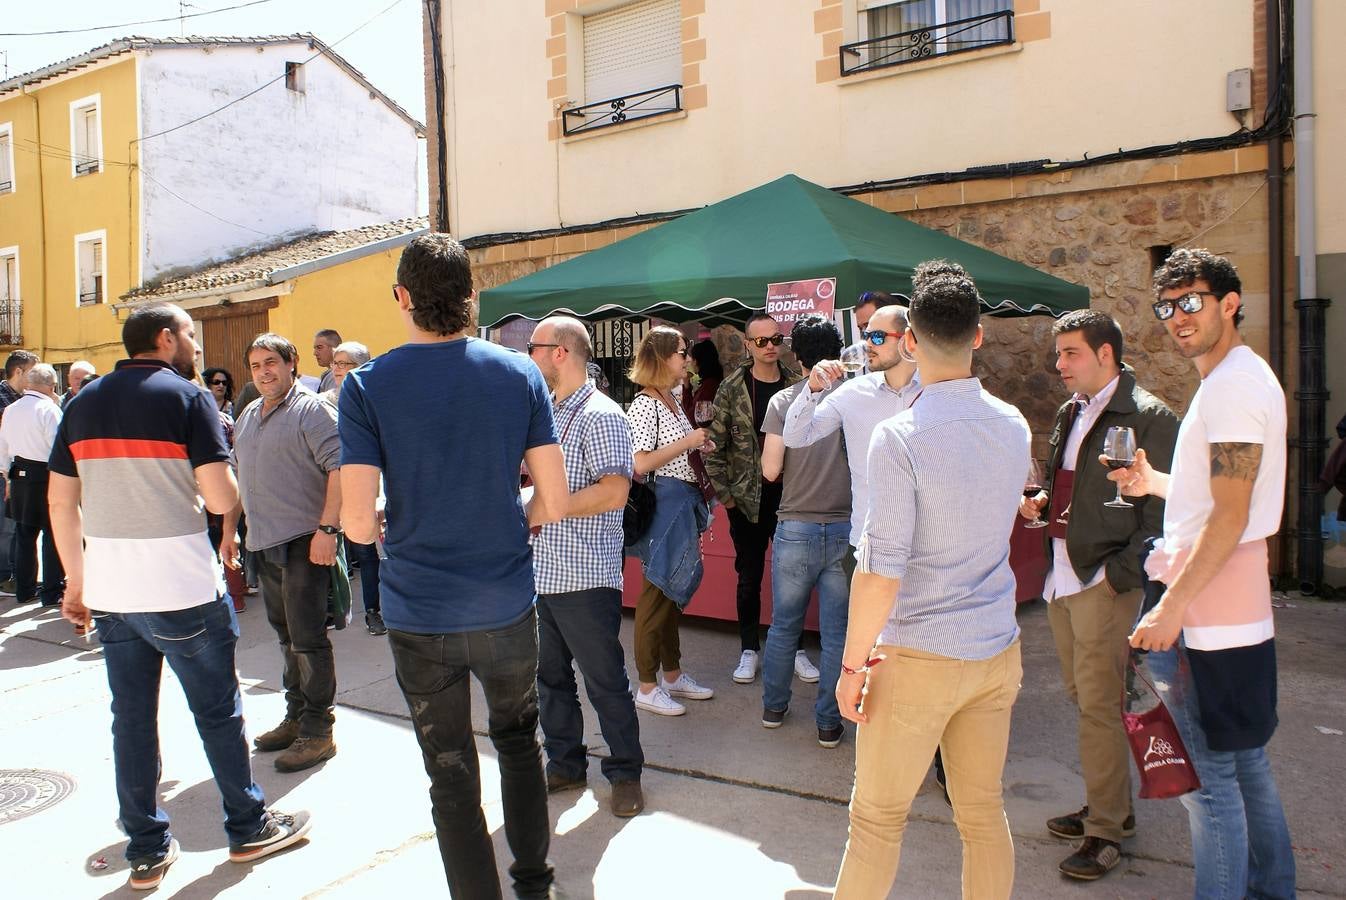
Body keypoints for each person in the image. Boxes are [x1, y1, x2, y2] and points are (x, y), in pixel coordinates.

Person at [48, 304, 310, 892]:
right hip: (182, 587)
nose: (194, 344)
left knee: (132, 721)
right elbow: (220, 498)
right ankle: (247, 825)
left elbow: (61, 504)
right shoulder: (189, 399)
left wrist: (76, 581)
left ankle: (145, 850)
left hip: (115, 592)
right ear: (167, 339)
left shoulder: (81, 403)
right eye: (190, 334)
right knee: (217, 712)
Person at [339, 233, 567, 899]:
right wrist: (512, 511)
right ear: (472, 300)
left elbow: (356, 522)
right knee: (521, 745)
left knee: (450, 770)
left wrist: (386, 519)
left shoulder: (365, 385)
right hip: (503, 602)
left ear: (403, 298)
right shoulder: (518, 373)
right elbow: (552, 500)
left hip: (420, 612)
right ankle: (535, 885)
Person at [834, 269, 1029, 899]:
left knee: (876, 821)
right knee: (981, 815)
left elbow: (881, 569)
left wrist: (851, 664)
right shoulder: (1013, 423)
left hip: (918, 651)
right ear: (978, 335)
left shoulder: (901, 435)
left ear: (911, 340)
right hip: (994, 645)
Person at [1110, 248, 1296, 899]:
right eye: (1167, 307)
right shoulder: (1233, 381)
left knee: (1208, 789)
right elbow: (1212, 497)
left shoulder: (1238, 385)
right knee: (1244, 769)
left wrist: (1171, 608)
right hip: (1226, 608)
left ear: (1228, 303)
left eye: (1191, 302)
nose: (1177, 318)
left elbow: (1230, 513)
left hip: (1208, 613)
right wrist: (1153, 482)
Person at [1017, 309, 1179, 880]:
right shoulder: (1070, 411)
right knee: (1084, 699)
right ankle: (1111, 806)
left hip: (1100, 581)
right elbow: (1066, 487)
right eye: (1058, 354)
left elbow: (1163, 512)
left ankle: (1106, 829)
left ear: (1105, 354)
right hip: (1061, 574)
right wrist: (1040, 507)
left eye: (1070, 353)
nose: (1058, 365)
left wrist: (1118, 573)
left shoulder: (1150, 417)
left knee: (1099, 706)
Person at [527, 315, 646, 818]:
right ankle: (565, 763)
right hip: (542, 572)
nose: (527, 357)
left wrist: (544, 505)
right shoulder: (548, 411)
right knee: (549, 680)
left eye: (533, 347)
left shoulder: (602, 414)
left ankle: (625, 773)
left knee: (604, 681)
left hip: (583, 575)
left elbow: (615, 491)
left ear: (559, 352)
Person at [223, 333, 342, 774]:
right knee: (286, 636)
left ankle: (318, 731)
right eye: (255, 366)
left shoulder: (312, 410)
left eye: (271, 362)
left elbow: (340, 468)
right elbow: (240, 477)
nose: (263, 372)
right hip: (264, 542)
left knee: (308, 639)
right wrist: (229, 531)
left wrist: (328, 529)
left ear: (291, 363)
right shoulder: (251, 413)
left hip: (303, 541)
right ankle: (296, 718)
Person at [759, 314, 852, 748]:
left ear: (796, 356)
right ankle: (828, 723)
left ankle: (774, 708)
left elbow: (770, 470)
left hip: (795, 524)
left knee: (783, 627)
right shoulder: (857, 399)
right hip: (844, 526)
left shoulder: (783, 401)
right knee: (836, 634)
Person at [704, 313, 806, 684]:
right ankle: (749, 648)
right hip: (746, 500)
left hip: (792, 497)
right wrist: (726, 497)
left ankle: (793, 647)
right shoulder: (732, 388)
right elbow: (713, 447)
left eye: (775, 339)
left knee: (792, 575)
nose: (769, 347)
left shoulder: (798, 385)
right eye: (761, 341)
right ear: (748, 345)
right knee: (749, 575)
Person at [626, 325, 716, 717]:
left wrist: (699, 445)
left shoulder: (672, 399)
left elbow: (674, 451)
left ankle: (673, 675)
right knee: (658, 592)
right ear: (662, 357)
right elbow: (640, 463)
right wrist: (689, 442)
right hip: (666, 502)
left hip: (680, 501)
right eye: (682, 351)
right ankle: (647, 685)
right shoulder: (646, 404)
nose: (688, 357)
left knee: (669, 593)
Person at [323, 340, 386, 636]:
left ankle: (373, 611)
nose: (336, 368)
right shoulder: (322, 403)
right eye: (334, 362)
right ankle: (332, 607)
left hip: (368, 489)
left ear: (361, 366)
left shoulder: (375, 400)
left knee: (370, 553)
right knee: (334, 551)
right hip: (333, 490)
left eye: (343, 363)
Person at [0, 363, 65, 608]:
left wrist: (6, 477)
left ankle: (24, 590)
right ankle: (51, 591)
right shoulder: (49, 410)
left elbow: (3, 447)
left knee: (25, 535)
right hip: (44, 476)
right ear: (52, 386)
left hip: (18, 475)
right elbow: (56, 449)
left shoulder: (12, 409)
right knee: (51, 535)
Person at [0, 349, 38, 597]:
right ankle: (4, 578)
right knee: (6, 527)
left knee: (12, 526)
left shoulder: (18, 398)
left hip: (14, 472)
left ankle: (11, 574)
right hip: (4, 471)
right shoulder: (4, 400)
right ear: (19, 371)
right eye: (33, 372)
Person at [314, 328, 342, 394]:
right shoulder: (330, 374)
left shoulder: (336, 374)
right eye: (315, 348)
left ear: (334, 348)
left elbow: (330, 403)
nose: (315, 353)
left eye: (319, 347)